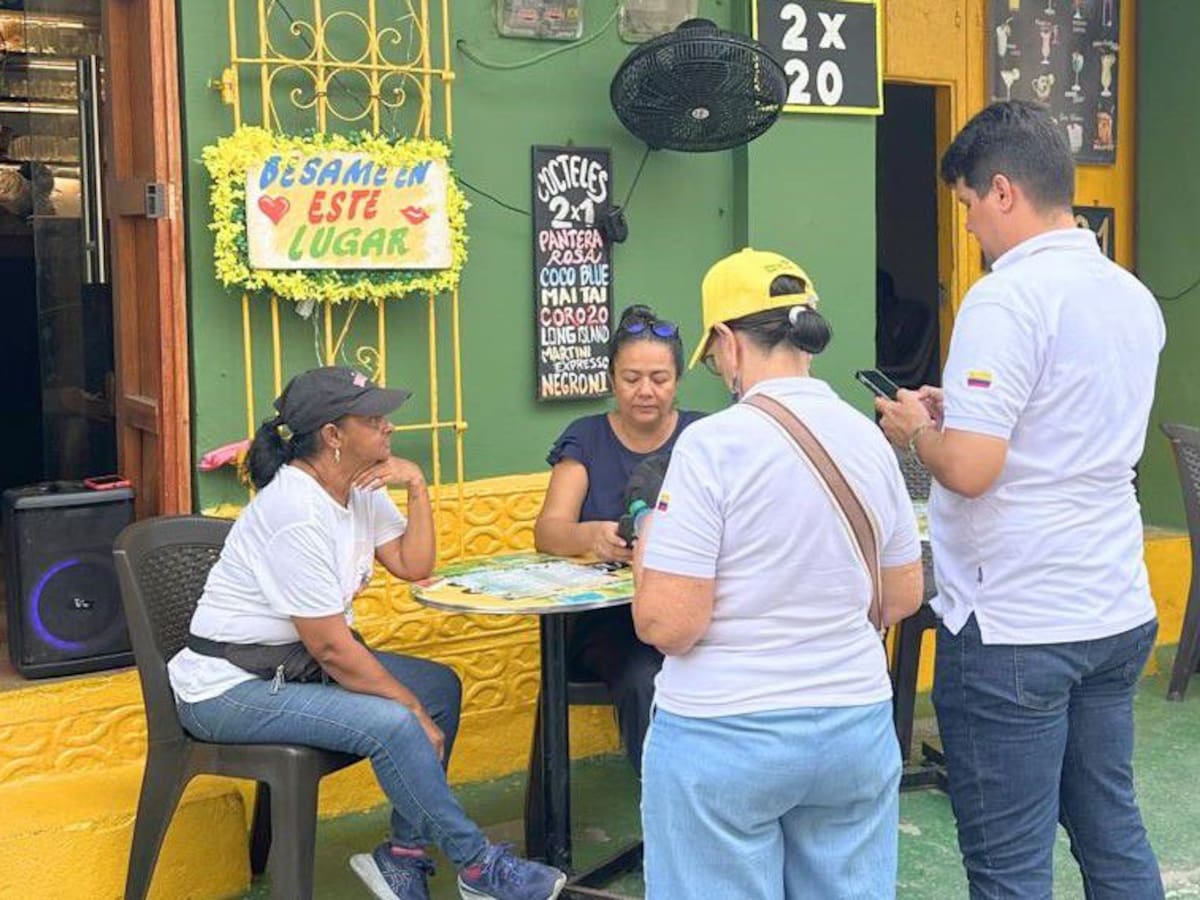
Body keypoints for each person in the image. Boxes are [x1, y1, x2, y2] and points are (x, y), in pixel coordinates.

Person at [876, 100, 1165, 899]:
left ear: (1002, 191)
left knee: (1009, 867)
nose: (967, 227)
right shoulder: (1130, 296)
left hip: (1018, 625)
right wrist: (959, 416)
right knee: (1111, 829)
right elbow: (1056, 424)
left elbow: (967, 469)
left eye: (967, 206)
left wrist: (913, 430)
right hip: (1113, 604)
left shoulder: (1006, 297)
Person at [167, 366, 566, 900]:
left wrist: (418, 485)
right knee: (400, 719)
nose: (389, 428)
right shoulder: (294, 511)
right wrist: (411, 711)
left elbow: (413, 562)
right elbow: (331, 648)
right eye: (373, 418)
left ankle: (402, 858)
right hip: (228, 689)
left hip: (292, 671)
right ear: (333, 435)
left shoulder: (357, 488)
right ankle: (477, 867)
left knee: (438, 689)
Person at [632, 249, 924, 899]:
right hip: (854, 724)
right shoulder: (867, 437)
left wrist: (649, 548)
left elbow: (668, 624)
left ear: (730, 345)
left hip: (725, 735)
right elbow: (902, 593)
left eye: (712, 359)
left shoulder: (713, 445)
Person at [534, 304, 703, 775]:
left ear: (677, 379)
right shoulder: (585, 438)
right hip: (610, 623)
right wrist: (590, 537)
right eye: (631, 378)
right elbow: (548, 531)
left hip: (692, 608)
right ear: (611, 379)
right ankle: (665, 804)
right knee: (642, 678)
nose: (645, 391)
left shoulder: (703, 435)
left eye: (659, 378)